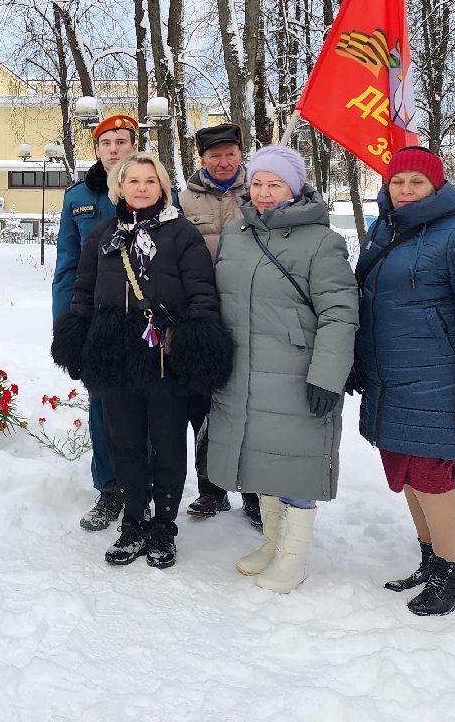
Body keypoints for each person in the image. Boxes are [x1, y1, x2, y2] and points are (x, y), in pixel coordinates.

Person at [51, 153, 234, 570]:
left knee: (168, 445)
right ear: (120, 187)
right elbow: (83, 293)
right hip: (114, 355)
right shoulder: (103, 235)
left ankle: (164, 526)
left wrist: (200, 346)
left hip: (165, 355)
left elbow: (202, 295)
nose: (141, 187)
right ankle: (133, 521)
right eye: (132, 180)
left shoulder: (182, 233)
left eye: (149, 180)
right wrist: (76, 341)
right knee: (126, 444)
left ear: (162, 186)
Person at [355, 146, 455, 616]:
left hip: (441, 385)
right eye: (397, 182)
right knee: (408, 473)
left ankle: (450, 572)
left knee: (431, 477)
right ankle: (431, 560)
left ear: (436, 186)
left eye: (416, 182)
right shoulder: (384, 229)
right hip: (391, 380)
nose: (405, 190)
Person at [202, 145, 358, 594]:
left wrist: (327, 375)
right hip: (243, 371)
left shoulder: (322, 241)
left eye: (275, 184)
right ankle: (271, 544)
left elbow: (340, 313)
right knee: (261, 463)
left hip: (296, 373)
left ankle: (293, 559)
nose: (264, 192)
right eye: (257, 183)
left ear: (294, 187)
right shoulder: (236, 234)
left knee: (295, 466)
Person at [51, 114, 139, 532]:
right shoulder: (78, 198)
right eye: (106, 142)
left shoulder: (156, 190)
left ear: (134, 146)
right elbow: (66, 267)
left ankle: (144, 488)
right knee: (102, 408)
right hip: (96, 323)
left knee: (147, 406)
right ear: (96, 149)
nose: (114, 149)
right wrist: (66, 329)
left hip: (143, 321)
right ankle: (109, 488)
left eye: (122, 141)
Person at [178, 122, 260, 528]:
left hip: (251, 315)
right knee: (202, 407)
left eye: (230, 154)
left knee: (248, 407)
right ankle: (211, 489)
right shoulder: (183, 200)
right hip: (202, 317)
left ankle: (254, 493)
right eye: (215, 155)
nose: (223, 162)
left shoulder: (259, 191)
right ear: (202, 159)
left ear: (241, 154)